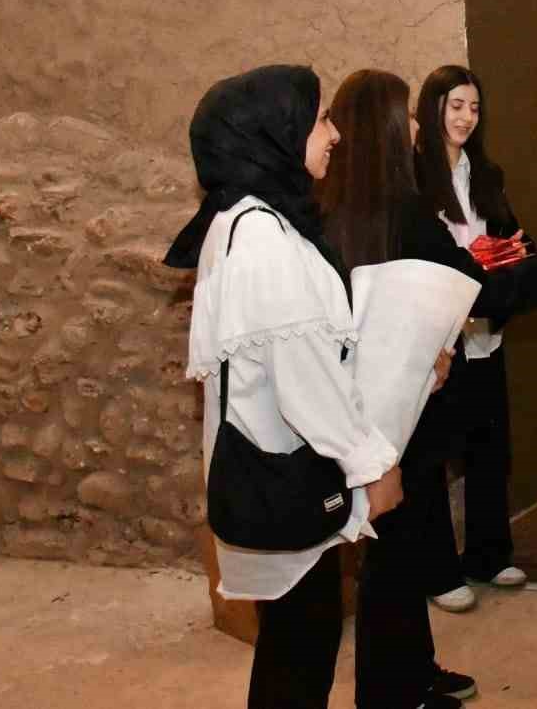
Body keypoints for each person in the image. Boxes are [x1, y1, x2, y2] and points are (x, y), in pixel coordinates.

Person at [317, 69, 537, 709]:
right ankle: (395, 689)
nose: (423, 128)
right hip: (392, 411)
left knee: (394, 554)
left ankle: (410, 673)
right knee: (392, 562)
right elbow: (472, 287)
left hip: (385, 400)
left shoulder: (344, 207)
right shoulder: (400, 210)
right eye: (414, 116)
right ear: (391, 129)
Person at [163, 64, 405, 709]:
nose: (333, 135)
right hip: (289, 474)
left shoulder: (241, 220)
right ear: (275, 134)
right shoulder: (265, 238)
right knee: (302, 650)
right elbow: (305, 379)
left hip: (273, 467)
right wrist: (372, 463)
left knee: (292, 645)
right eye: (320, 120)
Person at [408, 65, 537, 608]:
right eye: (456, 105)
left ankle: (489, 555)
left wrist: (523, 252)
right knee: (434, 456)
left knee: (490, 448)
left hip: (485, 331)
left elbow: (510, 232)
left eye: (474, 108)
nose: (465, 117)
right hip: (439, 339)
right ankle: (440, 574)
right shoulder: (413, 174)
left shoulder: (487, 172)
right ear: (433, 107)